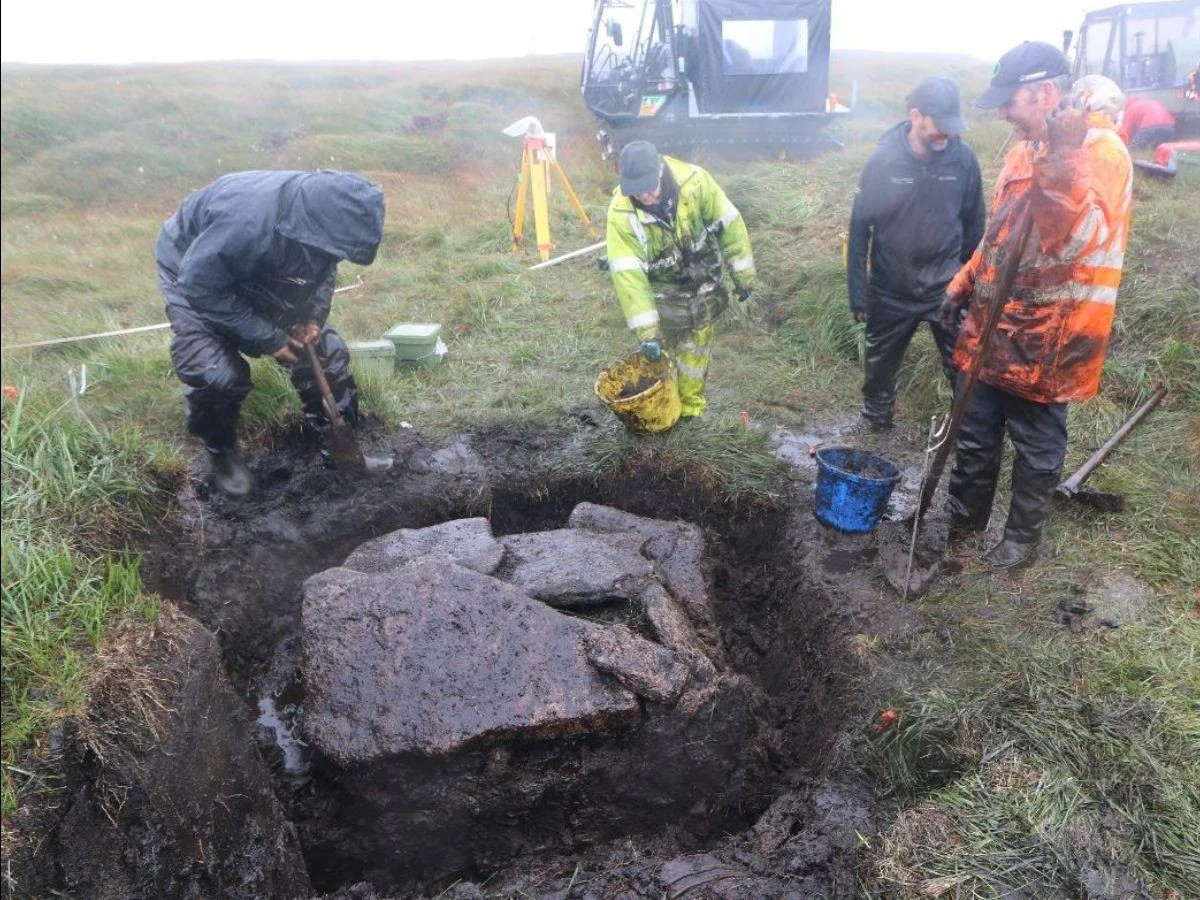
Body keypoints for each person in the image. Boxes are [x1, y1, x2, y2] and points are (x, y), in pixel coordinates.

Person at [937, 42, 1133, 570]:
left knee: (1036, 445)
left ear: (1046, 93)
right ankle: (964, 519)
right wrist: (963, 281)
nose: (1002, 113)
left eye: (1011, 102)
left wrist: (1064, 158)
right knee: (974, 430)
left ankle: (1021, 540)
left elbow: (1072, 242)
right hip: (994, 323)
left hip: (1052, 336)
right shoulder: (1024, 148)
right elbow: (999, 233)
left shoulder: (1101, 155)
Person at [156, 169, 385, 496]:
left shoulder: (320, 230)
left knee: (325, 353)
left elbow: (323, 270)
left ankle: (341, 452)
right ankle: (221, 456)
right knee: (216, 375)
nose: (334, 257)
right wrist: (269, 338)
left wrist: (311, 316)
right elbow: (200, 286)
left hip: (264, 269)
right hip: (192, 270)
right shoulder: (246, 223)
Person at [846, 76, 985, 432]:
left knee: (963, 367)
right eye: (941, 126)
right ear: (915, 116)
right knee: (879, 367)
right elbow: (860, 228)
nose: (947, 135)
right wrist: (858, 292)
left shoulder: (964, 161)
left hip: (946, 288)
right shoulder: (884, 160)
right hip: (891, 287)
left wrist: (969, 285)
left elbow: (975, 227)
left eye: (953, 128)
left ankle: (962, 435)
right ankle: (876, 422)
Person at [605, 141, 755, 422]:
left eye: (650, 188)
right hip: (665, 298)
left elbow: (729, 224)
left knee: (695, 354)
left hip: (704, 287)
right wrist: (648, 333)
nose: (645, 196)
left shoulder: (695, 182)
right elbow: (629, 277)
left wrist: (743, 275)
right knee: (667, 358)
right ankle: (666, 410)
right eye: (636, 191)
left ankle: (690, 413)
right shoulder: (621, 215)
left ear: (661, 169)